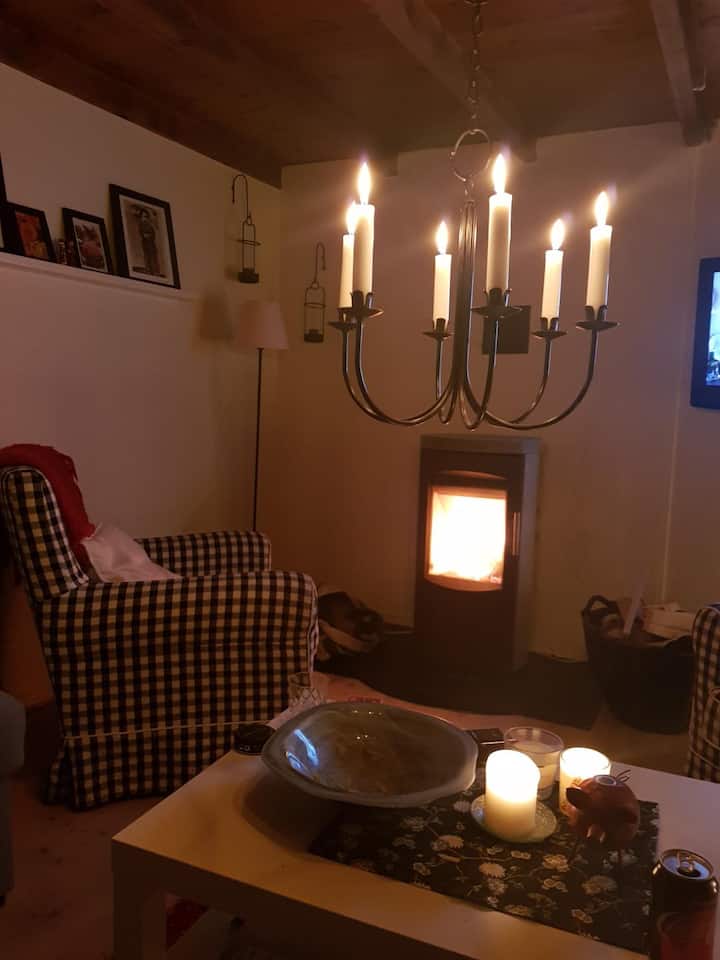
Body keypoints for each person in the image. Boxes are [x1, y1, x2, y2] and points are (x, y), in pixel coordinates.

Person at [136, 206, 160, 275]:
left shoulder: (149, 224)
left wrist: (150, 235)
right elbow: (142, 233)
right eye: (143, 216)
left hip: (151, 243)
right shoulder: (141, 224)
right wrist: (146, 235)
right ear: (141, 217)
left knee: (153, 256)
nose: (144, 218)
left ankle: (155, 271)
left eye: (146, 216)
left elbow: (153, 233)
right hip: (145, 243)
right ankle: (149, 270)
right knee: (147, 256)